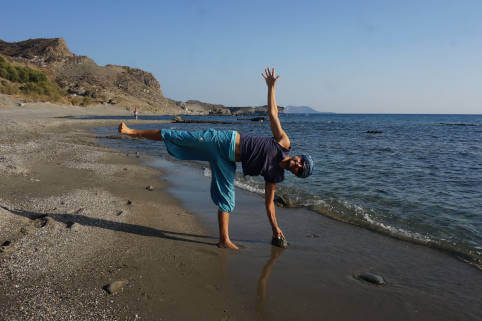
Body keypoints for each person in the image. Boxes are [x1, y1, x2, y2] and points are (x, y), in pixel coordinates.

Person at [118, 68, 313, 250]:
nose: (298, 164)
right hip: (221, 141)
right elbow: (273, 114)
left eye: (300, 169)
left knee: (228, 199)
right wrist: (271, 87)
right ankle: (132, 131)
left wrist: (275, 229)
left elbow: (269, 204)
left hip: (226, 161)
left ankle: (223, 240)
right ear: (298, 156)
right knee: (176, 136)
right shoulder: (283, 143)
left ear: (296, 173)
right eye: (301, 161)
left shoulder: (275, 176)